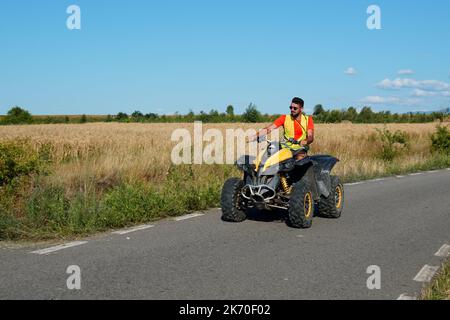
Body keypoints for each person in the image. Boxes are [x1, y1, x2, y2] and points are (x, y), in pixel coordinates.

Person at [248, 97, 315, 160]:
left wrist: (304, 142)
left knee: (300, 160)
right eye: (290, 107)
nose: (292, 110)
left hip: (300, 149)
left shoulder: (308, 120)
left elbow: (310, 137)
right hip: (285, 147)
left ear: (301, 109)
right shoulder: (284, 118)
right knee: (269, 158)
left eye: (295, 108)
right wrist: (255, 136)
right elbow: (269, 128)